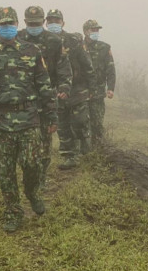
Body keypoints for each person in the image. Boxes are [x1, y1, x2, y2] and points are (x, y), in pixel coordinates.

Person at [0, 7, 58, 232]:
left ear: (17, 25)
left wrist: (51, 116)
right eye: (3, 24)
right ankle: (13, 211)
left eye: (11, 24)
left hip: (28, 118)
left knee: (32, 163)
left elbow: (44, 86)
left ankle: (32, 191)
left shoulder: (32, 51)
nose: (7, 28)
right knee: (5, 171)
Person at [17, 6, 72, 189]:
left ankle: (40, 180)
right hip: (21, 100)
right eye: (31, 23)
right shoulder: (16, 38)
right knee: (24, 144)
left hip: (46, 98)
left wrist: (64, 86)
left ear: (43, 23)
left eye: (38, 23)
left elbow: (63, 68)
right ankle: (29, 178)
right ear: (25, 22)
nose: (34, 26)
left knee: (45, 144)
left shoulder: (54, 41)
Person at [46, 9, 96, 167]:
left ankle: (85, 150)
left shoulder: (72, 40)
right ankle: (69, 156)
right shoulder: (45, 42)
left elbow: (87, 65)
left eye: (57, 21)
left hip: (78, 89)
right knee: (63, 124)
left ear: (63, 23)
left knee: (80, 121)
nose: (54, 24)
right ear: (46, 23)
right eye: (51, 21)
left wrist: (92, 88)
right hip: (57, 90)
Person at [83, 19, 116, 147]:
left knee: (97, 122)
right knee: (81, 122)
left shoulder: (104, 48)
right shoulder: (78, 46)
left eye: (97, 30)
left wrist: (110, 88)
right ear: (86, 31)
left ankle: (97, 150)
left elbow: (110, 69)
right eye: (93, 30)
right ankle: (82, 150)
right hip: (81, 92)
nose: (96, 32)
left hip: (98, 92)